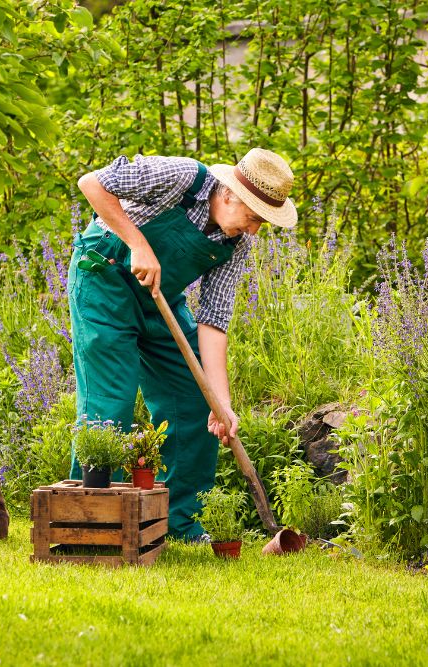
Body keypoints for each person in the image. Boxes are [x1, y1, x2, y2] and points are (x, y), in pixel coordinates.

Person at [67, 148, 297, 540]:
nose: (255, 230)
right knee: (111, 406)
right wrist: (138, 244)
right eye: (254, 217)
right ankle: (93, 523)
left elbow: (214, 320)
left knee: (196, 401)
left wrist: (221, 403)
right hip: (103, 282)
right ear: (228, 195)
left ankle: (176, 520)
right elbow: (92, 183)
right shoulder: (180, 176)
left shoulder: (234, 244)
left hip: (160, 300)